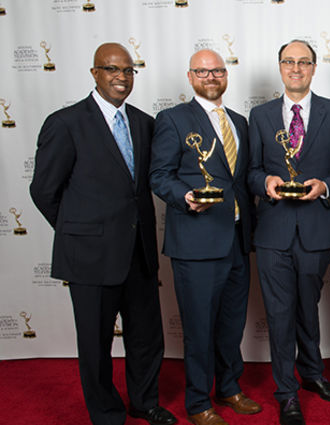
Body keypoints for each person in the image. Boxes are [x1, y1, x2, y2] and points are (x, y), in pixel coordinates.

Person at [30, 42, 176, 425]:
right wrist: (80, 233)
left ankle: (144, 402)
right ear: (95, 73)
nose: (122, 77)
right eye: (112, 70)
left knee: (147, 338)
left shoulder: (145, 123)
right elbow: (44, 191)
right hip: (90, 258)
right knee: (95, 345)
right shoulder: (65, 123)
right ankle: (107, 413)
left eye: (128, 70)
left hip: (139, 252)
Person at [150, 49, 259, 425]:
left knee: (231, 324)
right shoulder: (173, 119)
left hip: (236, 240)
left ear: (226, 75)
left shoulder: (240, 122)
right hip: (196, 243)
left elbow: (241, 179)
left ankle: (229, 388)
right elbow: (160, 175)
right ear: (190, 76)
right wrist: (185, 197)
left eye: (217, 71)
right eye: (202, 71)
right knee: (198, 328)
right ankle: (198, 402)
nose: (211, 77)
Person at [247, 39, 330, 425]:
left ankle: (312, 374)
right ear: (279, 67)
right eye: (289, 62)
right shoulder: (259, 117)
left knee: (308, 307)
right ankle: (286, 392)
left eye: (303, 62)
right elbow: (250, 172)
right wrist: (266, 182)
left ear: (313, 67)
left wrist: (326, 187)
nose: (296, 68)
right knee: (278, 314)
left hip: (316, 228)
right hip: (273, 229)